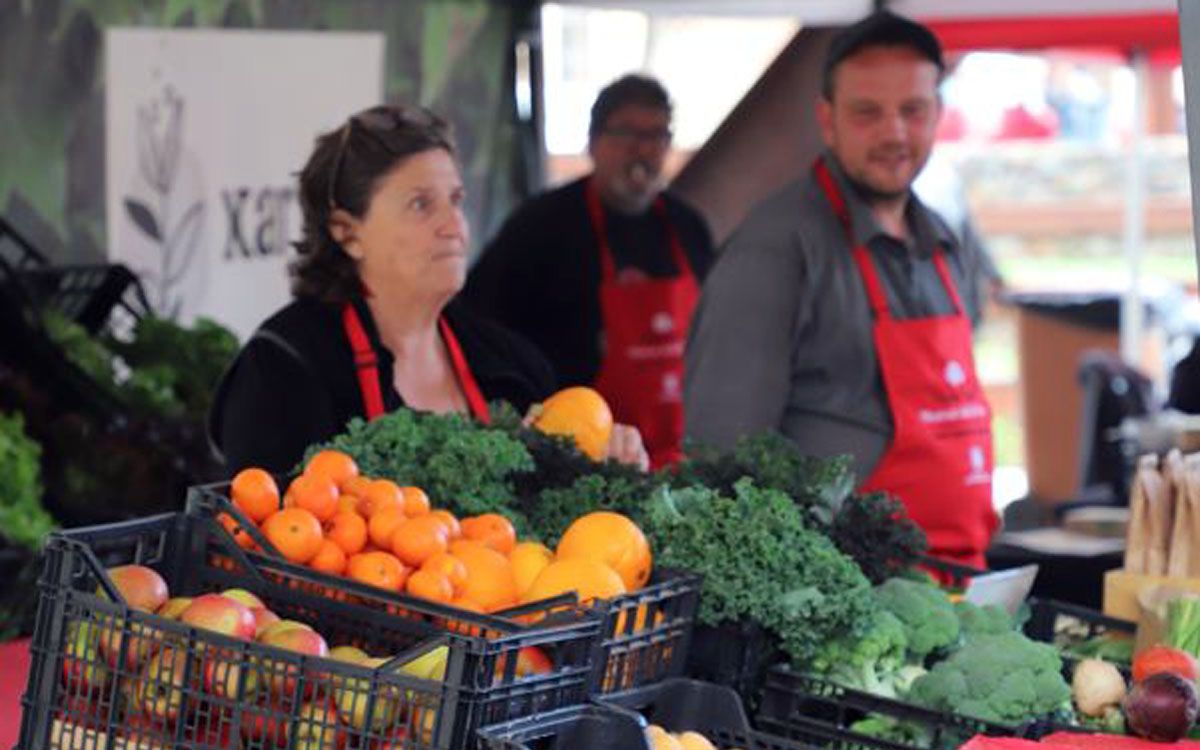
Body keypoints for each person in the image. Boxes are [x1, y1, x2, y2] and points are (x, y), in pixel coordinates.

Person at [684, 11, 997, 568]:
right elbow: (721, 459)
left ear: (937, 115)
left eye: (913, 111)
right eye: (867, 113)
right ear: (827, 121)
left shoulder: (946, 244)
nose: (894, 133)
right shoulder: (774, 249)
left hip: (960, 581)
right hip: (847, 600)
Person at [210, 104, 648, 474]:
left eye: (455, 200)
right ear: (347, 232)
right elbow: (263, 542)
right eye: (421, 204)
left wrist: (605, 461)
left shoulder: (513, 365)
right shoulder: (282, 368)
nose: (453, 225)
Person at [464, 74, 715, 468]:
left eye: (657, 135)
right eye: (628, 134)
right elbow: (479, 326)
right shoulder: (542, 226)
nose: (644, 150)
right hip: (579, 457)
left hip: (674, 458)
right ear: (593, 142)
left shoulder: (689, 227)